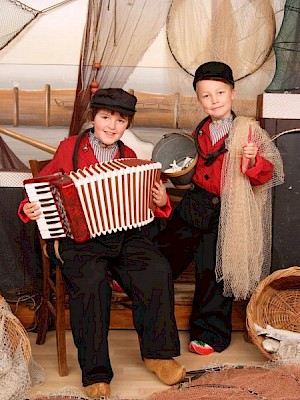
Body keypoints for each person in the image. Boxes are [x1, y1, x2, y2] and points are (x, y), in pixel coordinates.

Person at [18, 88, 186, 398]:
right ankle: (96, 373)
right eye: (105, 117)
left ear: (127, 125)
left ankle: (158, 354)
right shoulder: (69, 149)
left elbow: (144, 206)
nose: (111, 125)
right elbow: (41, 189)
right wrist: (29, 209)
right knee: (93, 285)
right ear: (92, 118)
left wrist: (161, 201)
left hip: (123, 236)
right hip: (78, 239)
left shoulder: (130, 158)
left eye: (120, 120)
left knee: (156, 269)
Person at [155, 62, 284, 356]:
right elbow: (187, 168)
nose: (214, 100)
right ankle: (137, 284)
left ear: (233, 94)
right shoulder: (199, 131)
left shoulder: (248, 131)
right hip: (196, 202)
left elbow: (267, 174)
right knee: (169, 245)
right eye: (206, 96)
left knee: (212, 270)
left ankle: (209, 333)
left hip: (228, 209)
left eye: (220, 93)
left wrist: (252, 161)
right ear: (199, 100)